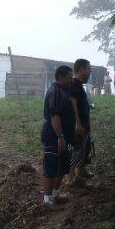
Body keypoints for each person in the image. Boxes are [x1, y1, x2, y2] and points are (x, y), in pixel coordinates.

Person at [41, 66, 75, 205]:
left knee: (63, 166)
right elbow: (55, 116)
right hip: (53, 136)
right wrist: (60, 136)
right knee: (51, 167)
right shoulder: (55, 92)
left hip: (64, 136)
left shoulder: (63, 91)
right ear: (60, 77)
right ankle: (47, 199)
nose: (70, 80)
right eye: (68, 78)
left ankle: (55, 195)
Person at [68, 59, 93, 186]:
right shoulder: (73, 85)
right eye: (88, 69)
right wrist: (78, 124)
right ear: (81, 69)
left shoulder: (79, 85)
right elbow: (73, 105)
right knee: (76, 151)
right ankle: (72, 180)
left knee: (84, 149)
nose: (90, 71)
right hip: (78, 126)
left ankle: (80, 173)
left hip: (84, 124)